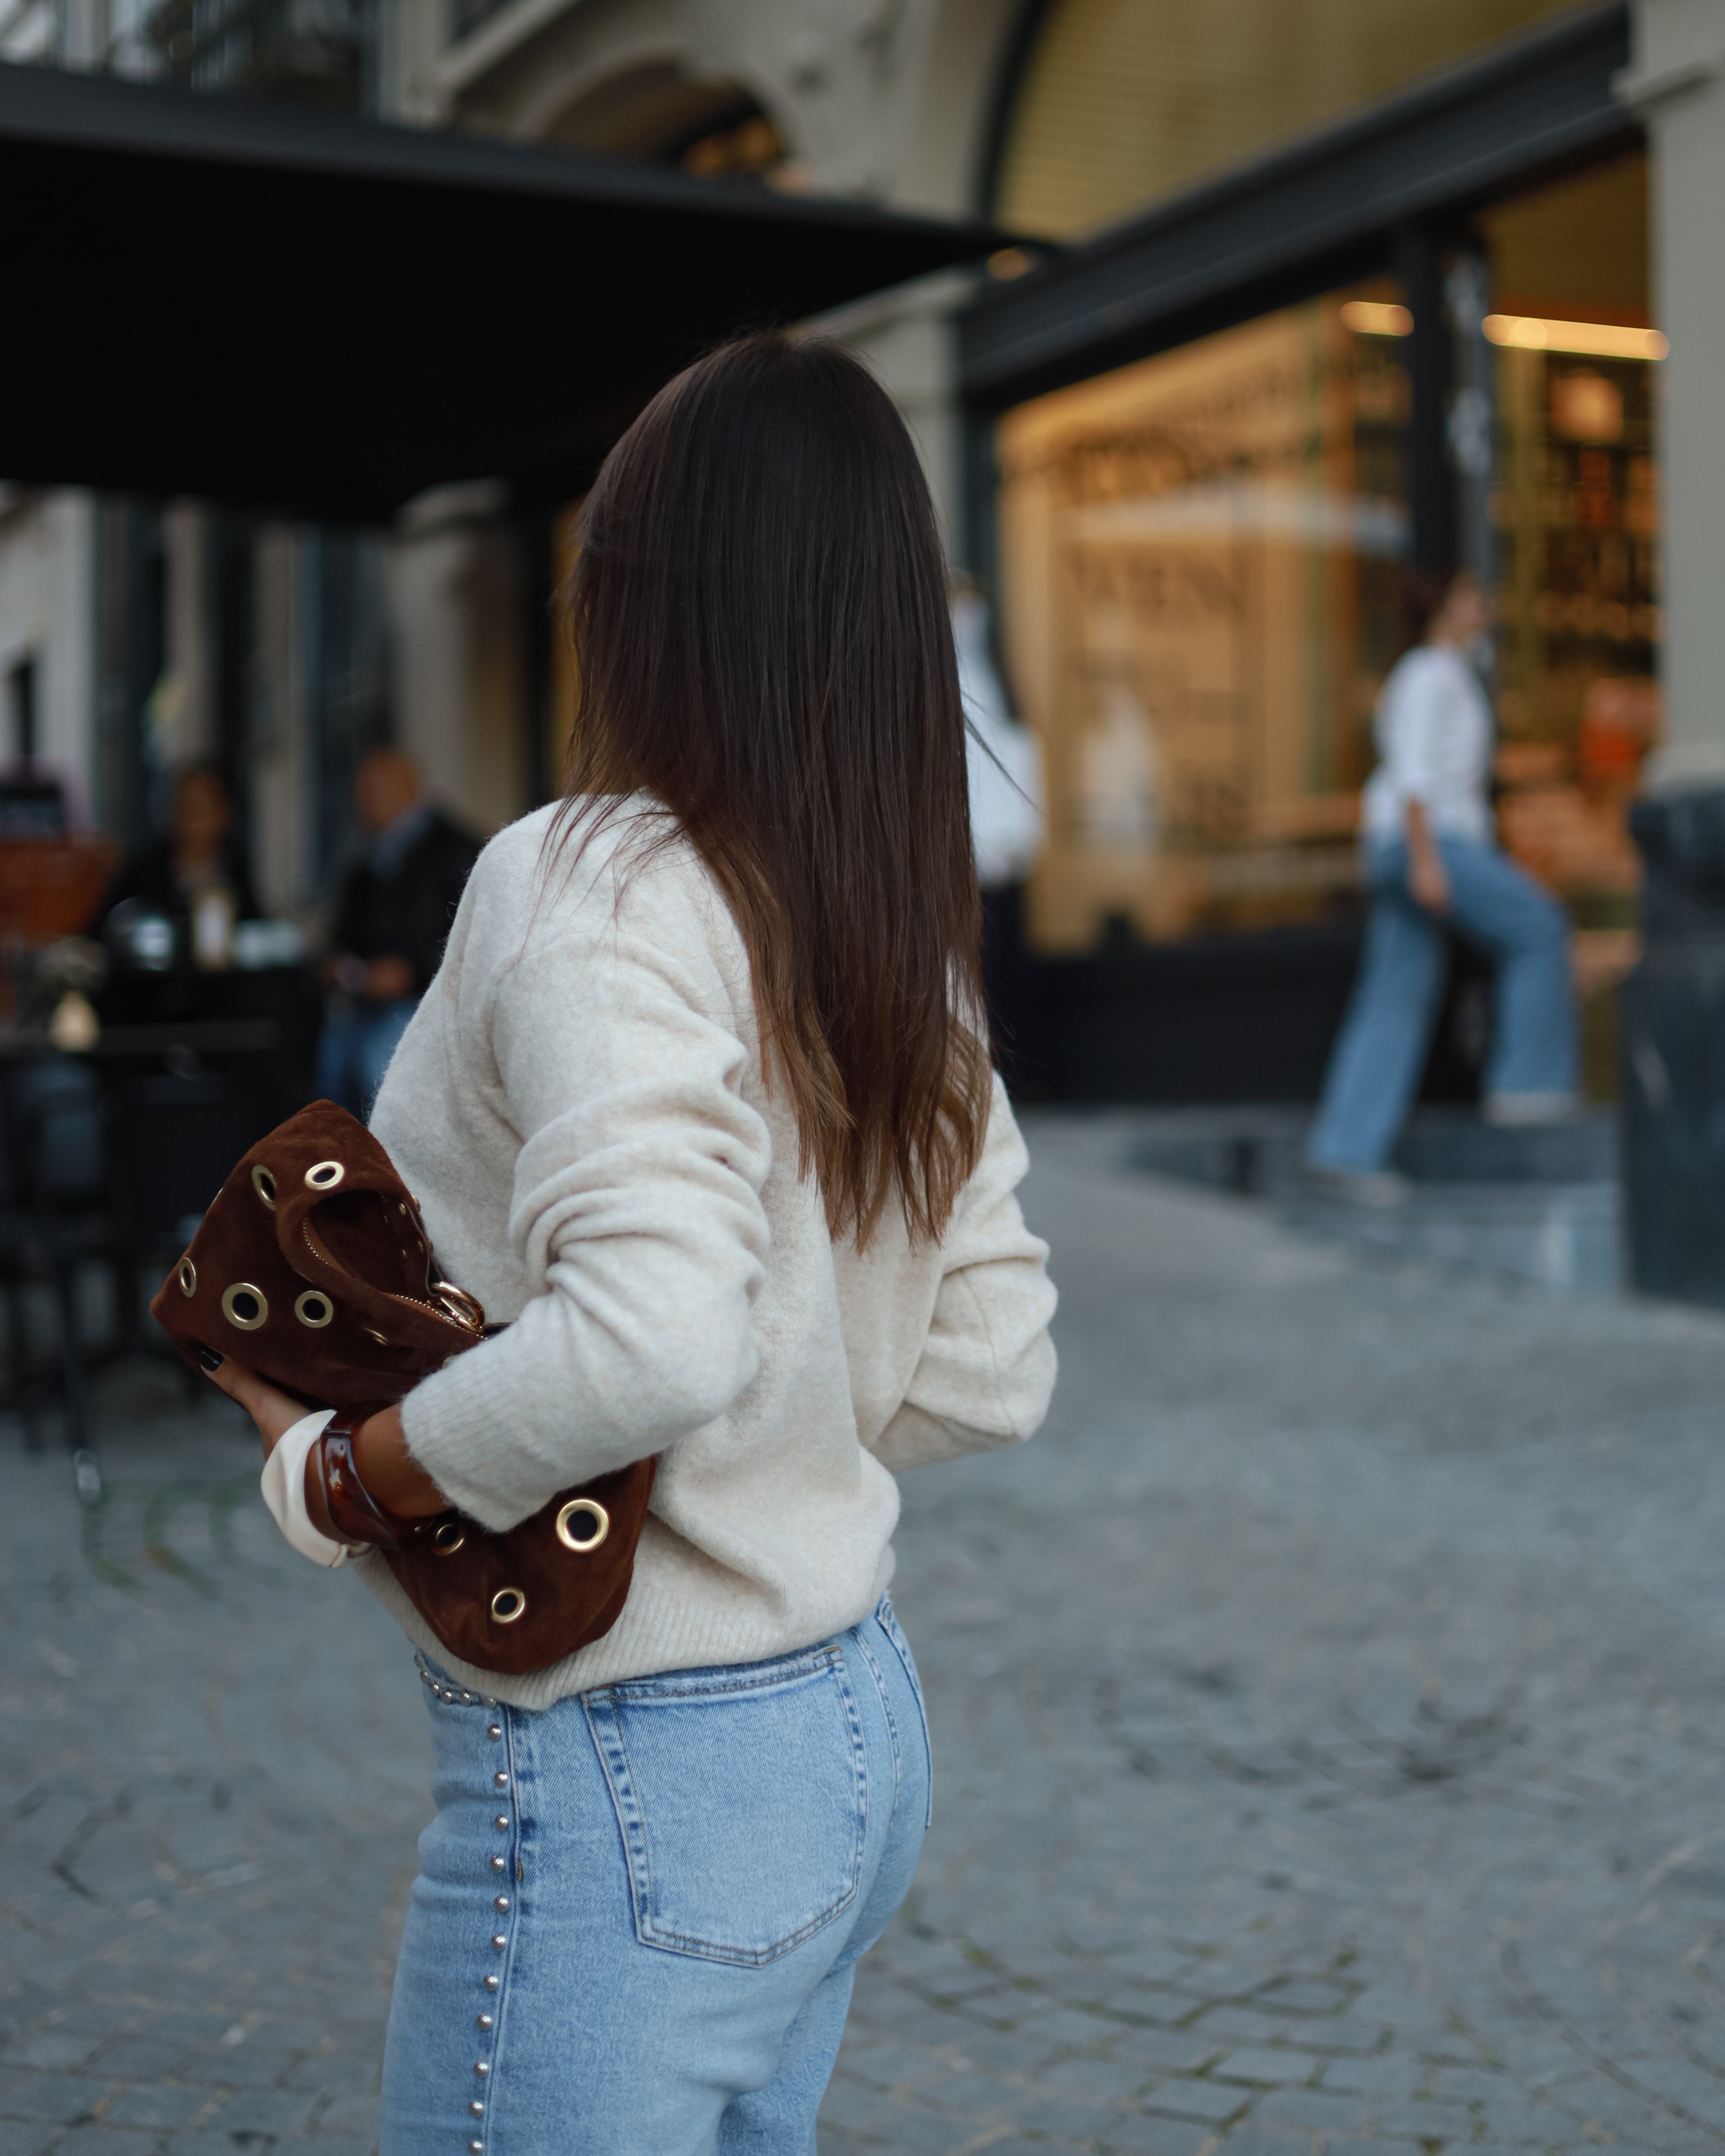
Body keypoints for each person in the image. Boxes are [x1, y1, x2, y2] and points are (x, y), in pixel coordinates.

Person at [199, 331, 1059, 2154]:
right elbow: (988, 1365)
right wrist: (771, 1422)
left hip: (630, 1763)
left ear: (641, 607)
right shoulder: (885, 933)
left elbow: (661, 1335)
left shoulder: (585, 883)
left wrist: (347, 1479)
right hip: (847, 1729)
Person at [1305, 569, 1580, 1201]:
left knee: (1393, 996)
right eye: (1471, 596)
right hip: (1423, 843)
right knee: (1540, 928)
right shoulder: (1430, 674)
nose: (1483, 605)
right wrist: (1427, 860)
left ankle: (1345, 1150)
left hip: (1407, 845)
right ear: (1446, 604)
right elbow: (1414, 777)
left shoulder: (1434, 672)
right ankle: (1527, 1093)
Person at [315, 748, 478, 1116]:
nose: (365, 801)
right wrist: (339, 965)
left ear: (408, 788)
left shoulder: (456, 851)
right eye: (362, 791)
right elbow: (341, 934)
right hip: (363, 1002)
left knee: (379, 1066)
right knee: (330, 1068)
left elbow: (473, 937)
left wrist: (411, 972)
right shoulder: (363, 859)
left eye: (375, 789)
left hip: (425, 1004)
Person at [955, 580, 1046, 1096]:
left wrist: (1024, 837)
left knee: (1010, 967)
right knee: (975, 972)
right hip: (969, 858)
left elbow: (1019, 763)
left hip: (1009, 853)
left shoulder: (997, 679)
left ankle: (1018, 1081)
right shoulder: (948, 680)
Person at [96, 761, 260, 968]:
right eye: (189, 807)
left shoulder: (237, 875)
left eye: (206, 807)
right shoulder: (143, 875)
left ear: (225, 813)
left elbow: (256, 939)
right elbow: (107, 939)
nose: (197, 819)